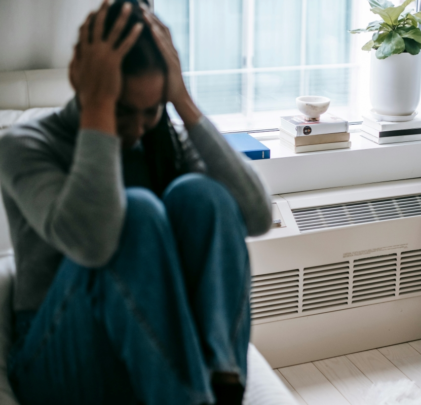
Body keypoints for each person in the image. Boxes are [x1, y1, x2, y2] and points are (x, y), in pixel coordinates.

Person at [0, 1, 272, 404]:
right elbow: (93, 242)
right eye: (123, 110)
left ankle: (223, 384)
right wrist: (97, 111)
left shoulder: (163, 141)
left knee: (202, 195)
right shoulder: (25, 144)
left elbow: (256, 215)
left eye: (152, 110)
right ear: (85, 79)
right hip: (53, 355)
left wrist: (183, 102)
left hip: (147, 346)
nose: (138, 128)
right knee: (138, 212)